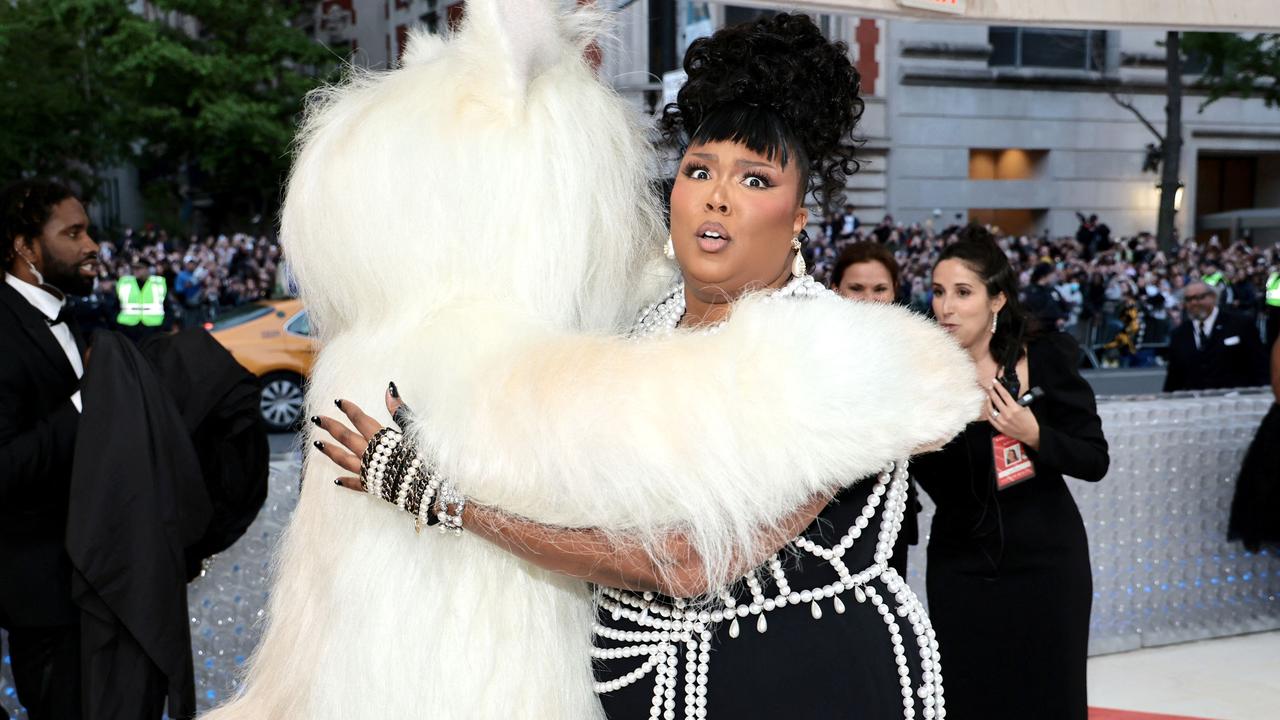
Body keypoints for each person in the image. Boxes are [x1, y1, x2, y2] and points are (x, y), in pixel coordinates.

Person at [302, 11, 980, 720]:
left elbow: (686, 563)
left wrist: (448, 501)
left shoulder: (837, 354)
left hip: (802, 685)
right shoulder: (634, 327)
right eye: (699, 169)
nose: (718, 194)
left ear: (798, 218)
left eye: (754, 179)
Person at [911, 225, 1109, 720]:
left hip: (1047, 562)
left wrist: (1035, 432)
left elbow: (1093, 458)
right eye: (938, 293)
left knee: (1049, 695)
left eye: (962, 293)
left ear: (996, 300)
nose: (946, 307)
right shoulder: (922, 377)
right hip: (961, 565)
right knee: (967, 694)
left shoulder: (1044, 356)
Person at [0, 179, 97, 720]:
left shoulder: (64, 312)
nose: (92, 245)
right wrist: (83, 405)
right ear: (24, 246)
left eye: (90, 230)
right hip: (39, 591)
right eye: (73, 233)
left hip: (85, 574)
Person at [828, 241, 921, 577]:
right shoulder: (813, 348)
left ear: (895, 292)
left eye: (879, 288)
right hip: (823, 517)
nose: (869, 298)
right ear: (835, 290)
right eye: (857, 288)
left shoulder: (919, 353)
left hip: (890, 515)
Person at [1163, 280, 1268, 392]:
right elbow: (1174, 377)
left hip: (1237, 400)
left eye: (1199, 297)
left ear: (1213, 297)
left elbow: (1259, 365)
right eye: (1189, 299)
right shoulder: (1179, 334)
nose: (1194, 303)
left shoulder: (1240, 324)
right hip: (1195, 402)